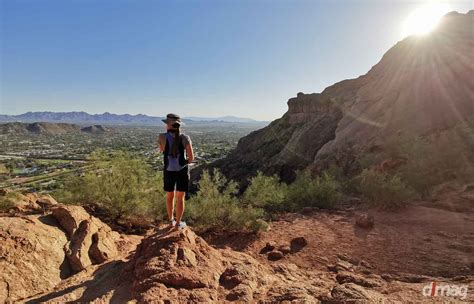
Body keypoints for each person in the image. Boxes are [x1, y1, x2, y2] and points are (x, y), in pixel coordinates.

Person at [158, 113, 194, 229]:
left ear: (168, 125)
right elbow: (191, 158)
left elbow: (162, 150)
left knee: (169, 196)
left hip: (168, 170)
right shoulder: (185, 138)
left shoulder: (162, 137)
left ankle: (171, 220)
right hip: (182, 171)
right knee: (180, 198)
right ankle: (178, 223)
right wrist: (183, 163)